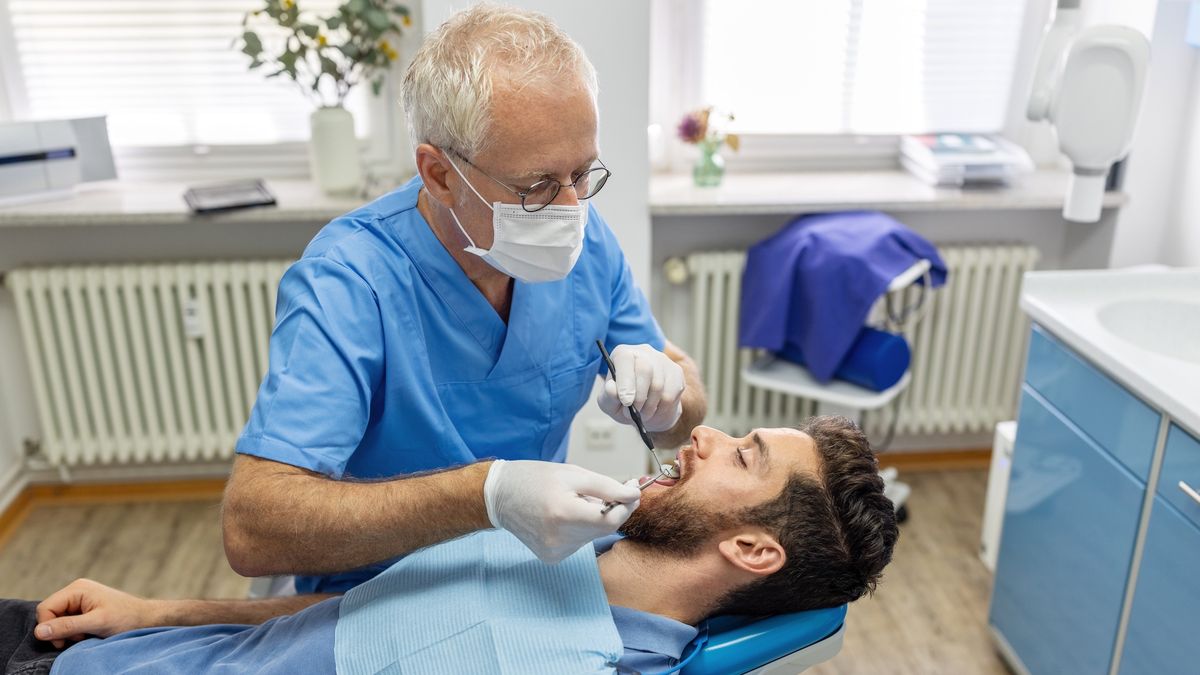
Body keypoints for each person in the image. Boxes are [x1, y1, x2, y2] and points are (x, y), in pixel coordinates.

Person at [220, 1, 707, 596]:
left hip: (522, 577)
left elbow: (687, 411)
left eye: (582, 174)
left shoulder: (589, 242)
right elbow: (254, 528)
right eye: (536, 188)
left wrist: (669, 397)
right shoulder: (350, 279)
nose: (570, 209)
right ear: (440, 174)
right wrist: (487, 496)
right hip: (369, 597)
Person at [2, 417, 898, 675]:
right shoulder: (567, 544)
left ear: (751, 549)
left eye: (742, 456)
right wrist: (153, 612)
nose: (703, 436)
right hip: (124, 646)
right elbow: (366, 617)